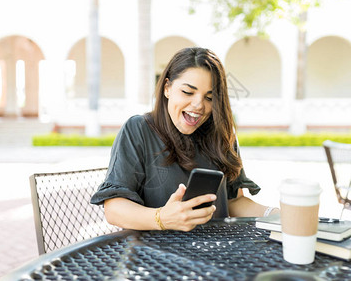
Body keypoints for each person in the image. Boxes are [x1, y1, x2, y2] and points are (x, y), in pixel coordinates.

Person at [91, 47, 278, 231]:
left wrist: (276, 214)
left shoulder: (221, 133)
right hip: (153, 256)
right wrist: (162, 218)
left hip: (216, 252)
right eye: (188, 92)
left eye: (210, 97)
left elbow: (233, 201)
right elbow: (114, 209)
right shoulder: (139, 129)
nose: (198, 105)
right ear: (167, 88)